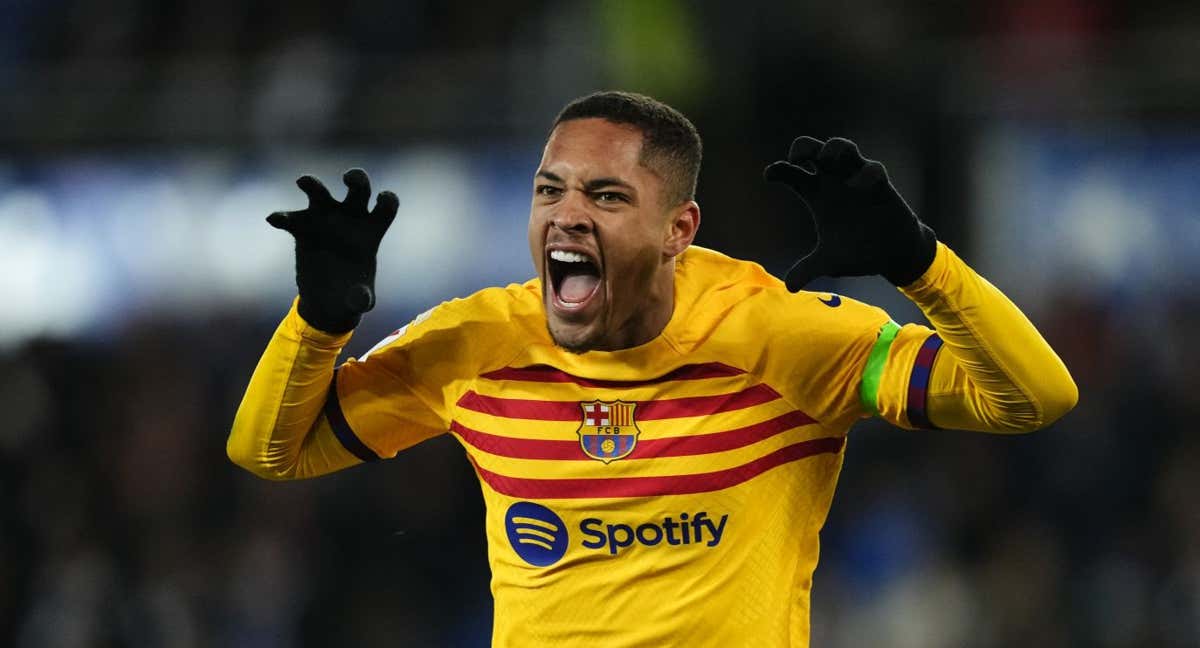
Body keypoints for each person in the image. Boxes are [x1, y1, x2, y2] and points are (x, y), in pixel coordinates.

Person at [228, 91, 1077, 646]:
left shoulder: (781, 338)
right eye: (549, 190)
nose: (566, 217)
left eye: (605, 197)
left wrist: (919, 264)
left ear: (680, 229)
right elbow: (271, 451)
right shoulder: (477, 342)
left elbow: (1034, 397)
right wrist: (319, 323)